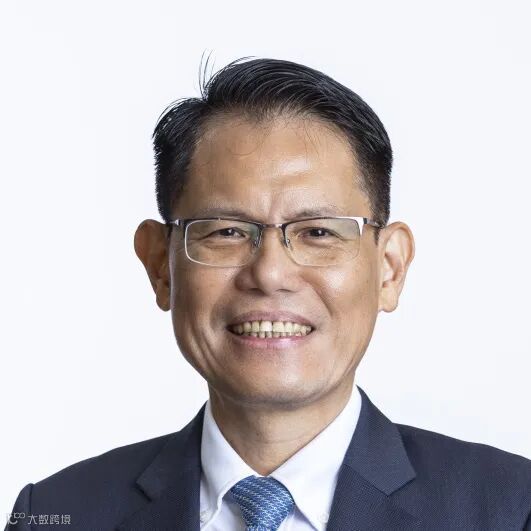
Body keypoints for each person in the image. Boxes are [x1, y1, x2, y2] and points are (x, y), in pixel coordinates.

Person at [5, 57, 531, 531]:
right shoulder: (56, 514)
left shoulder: (511, 509)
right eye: (227, 231)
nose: (271, 273)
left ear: (389, 269)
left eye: (318, 232)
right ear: (160, 266)